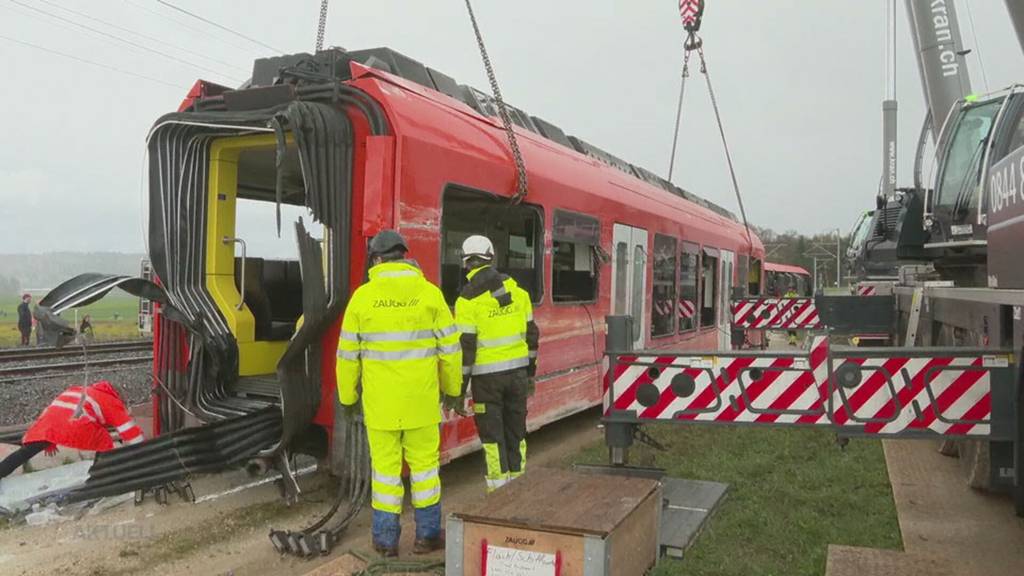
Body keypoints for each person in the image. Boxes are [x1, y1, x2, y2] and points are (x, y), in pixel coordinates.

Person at [336, 230, 462, 557]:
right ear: (405, 256)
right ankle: (428, 536)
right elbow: (451, 351)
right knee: (424, 471)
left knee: (386, 474)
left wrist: (348, 399)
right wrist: (452, 390)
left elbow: (347, 357)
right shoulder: (430, 294)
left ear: (376, 259)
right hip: (421, 405)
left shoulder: (361, 298)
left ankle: (385, 541)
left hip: (381, 408)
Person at [454, 235, 539, 493]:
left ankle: (498, 492)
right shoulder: (520, 293)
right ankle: (519, 486)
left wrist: (459, 391)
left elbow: (466, 351)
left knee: (493, 438)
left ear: (466, 264)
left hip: (487, 382)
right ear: (492, 258)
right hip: (517, 376)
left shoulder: (466, 301)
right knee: (517, 432)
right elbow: (532, 336)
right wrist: (531, 375)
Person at [0, 380, 144, 480]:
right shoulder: (110, 401)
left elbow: (57, 412)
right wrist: (143, 452)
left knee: (25, 452)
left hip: (48, 424)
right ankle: (100, 476)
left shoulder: (78, 390)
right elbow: (130, 432)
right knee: (104, 442)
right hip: (74, 425)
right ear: (118, 396)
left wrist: (49, 439)